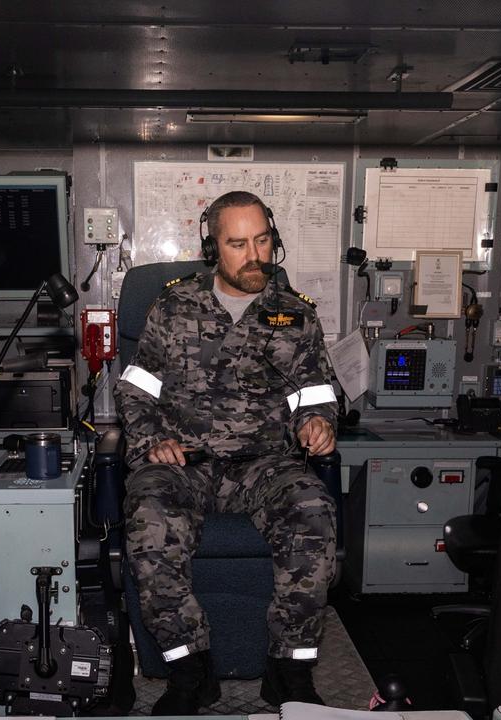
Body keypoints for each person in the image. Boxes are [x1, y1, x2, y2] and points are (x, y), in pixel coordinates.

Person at [115, 190, 339, 714]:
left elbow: (318, 391)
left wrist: (317, 423)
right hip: (184, 463)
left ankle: (289, 673)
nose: (253, 254)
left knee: (315, 511)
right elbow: (137, 388)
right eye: (237, 244)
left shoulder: (296, 315)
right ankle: (189, 671)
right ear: (213, 247)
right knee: (149, 518)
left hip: (266, 465)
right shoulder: (173, 307)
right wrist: (152, 440)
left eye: (262, 240)